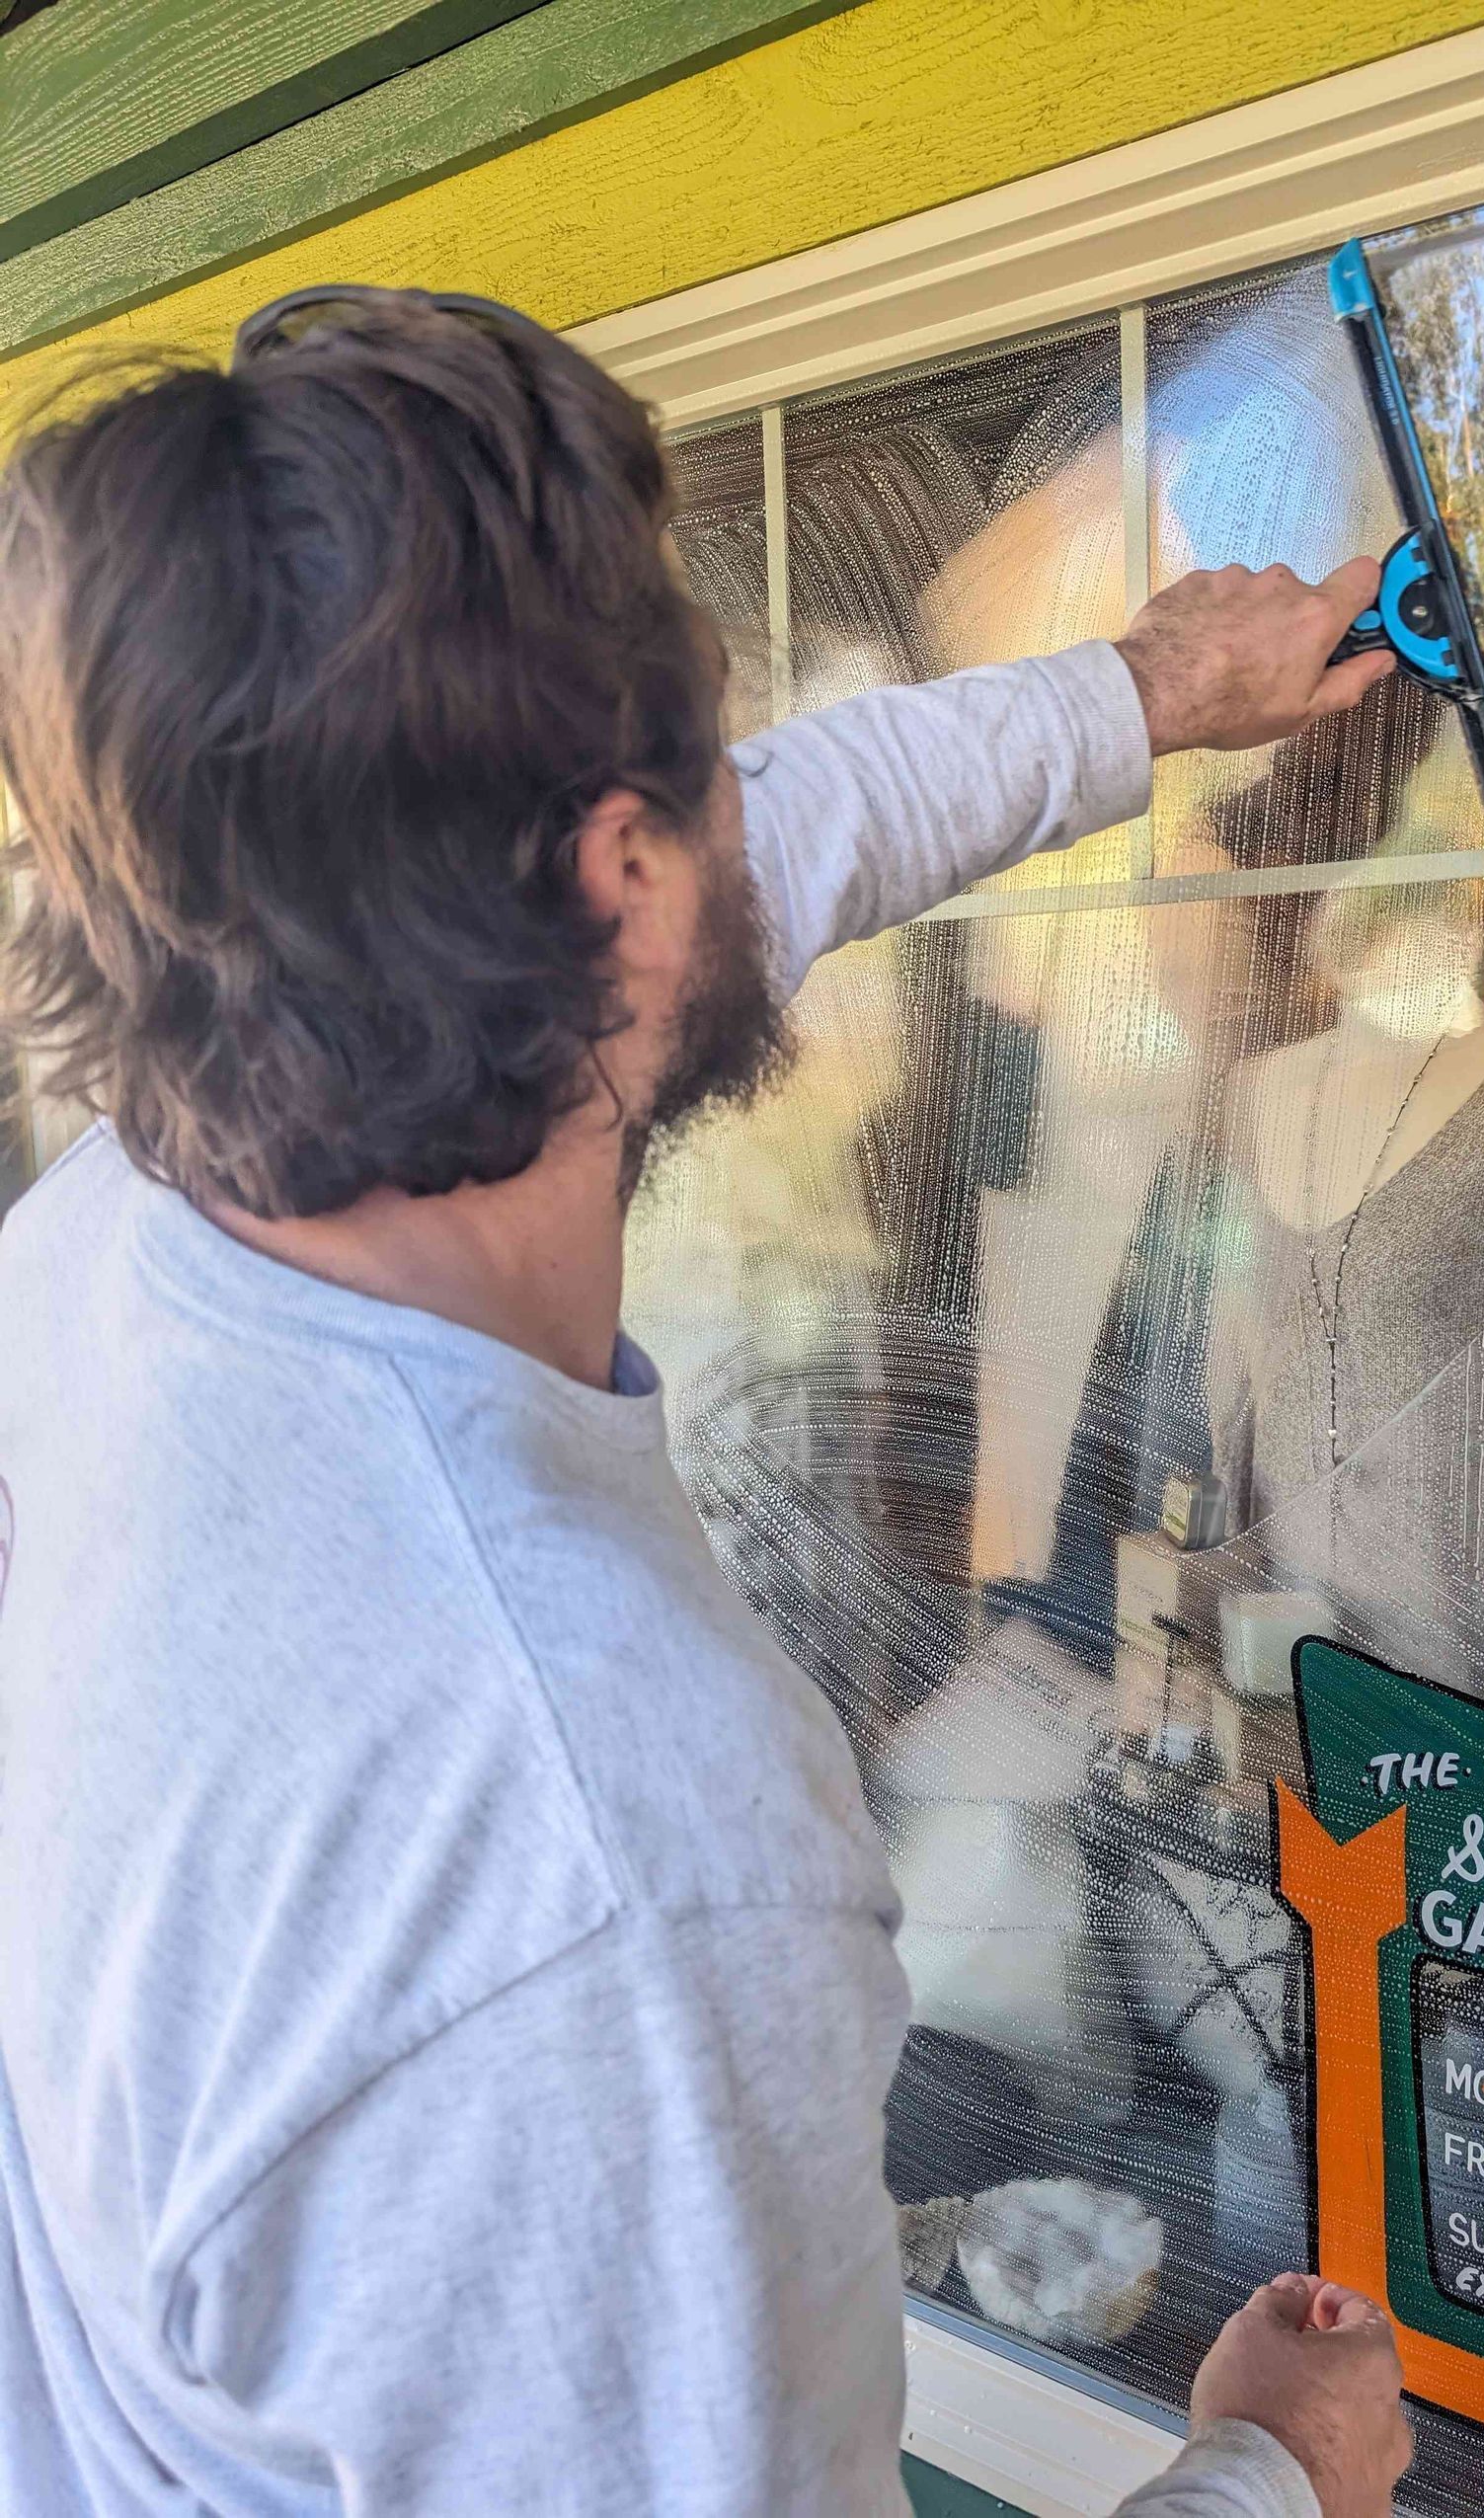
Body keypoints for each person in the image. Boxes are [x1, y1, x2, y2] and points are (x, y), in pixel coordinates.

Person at [0, 286, 1409, 2517]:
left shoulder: (99, 1264)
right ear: (623, 881)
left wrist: (1146, 697)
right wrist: (1265, 2477)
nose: (764, 822)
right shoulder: (620, 1846)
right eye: (704, 777)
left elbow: (791, 842)